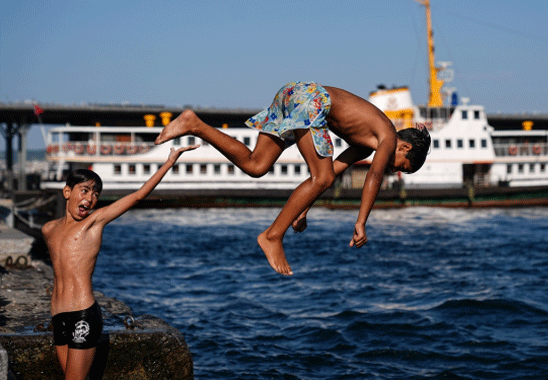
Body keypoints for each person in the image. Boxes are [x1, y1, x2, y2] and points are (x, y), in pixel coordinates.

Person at [154, 81, 431, 276]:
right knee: (320, 177)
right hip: (311, 100)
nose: (395, 170)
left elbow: (334, 169)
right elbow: (372, 177)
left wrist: (304, 208)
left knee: (256, 164)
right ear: (404, 148)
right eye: (402, 166)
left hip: (293, 94)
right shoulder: (387, 135)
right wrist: (361, 222)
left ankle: (194, 124)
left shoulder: (368, 140)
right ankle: (272, 236)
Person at [42, 145, 197, 380]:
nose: (90, 199)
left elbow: (138, 195)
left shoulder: (94, 223)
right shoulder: (48, 229)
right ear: (67, 192)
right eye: (84, 191)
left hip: (83, 313)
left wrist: (169, 161)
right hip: (58, 315)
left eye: (95, 194)